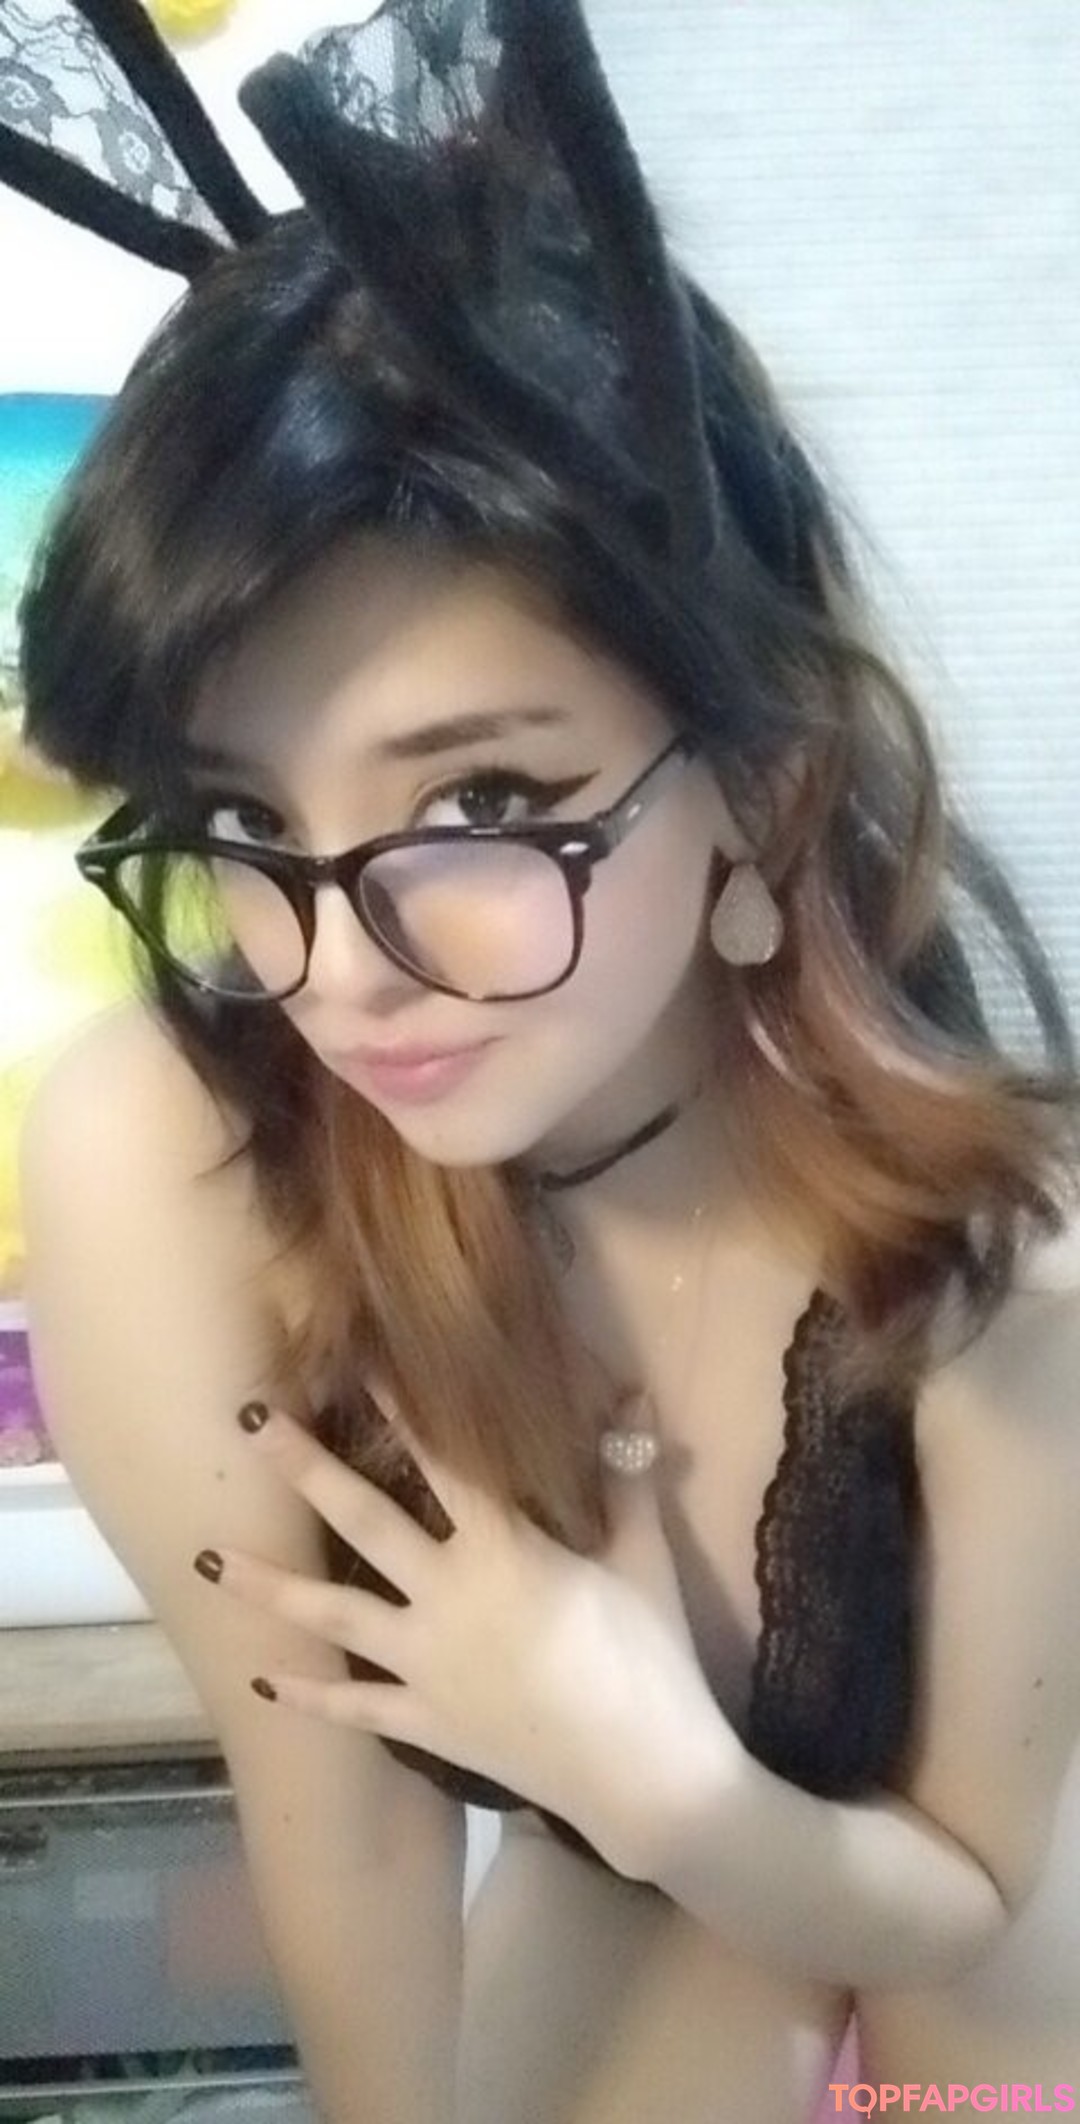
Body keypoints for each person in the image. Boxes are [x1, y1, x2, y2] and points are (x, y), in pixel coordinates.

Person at [9, 2, 1080, 2119]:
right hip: (626, 1901)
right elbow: (337, 1808)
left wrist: (650, 1764)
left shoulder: (1000, 1275)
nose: (340, 972)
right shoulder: (173, 1151)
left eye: (483, 804)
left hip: (959, 1941)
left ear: (760, 789)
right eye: (242, 819)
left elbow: (970, 1900)